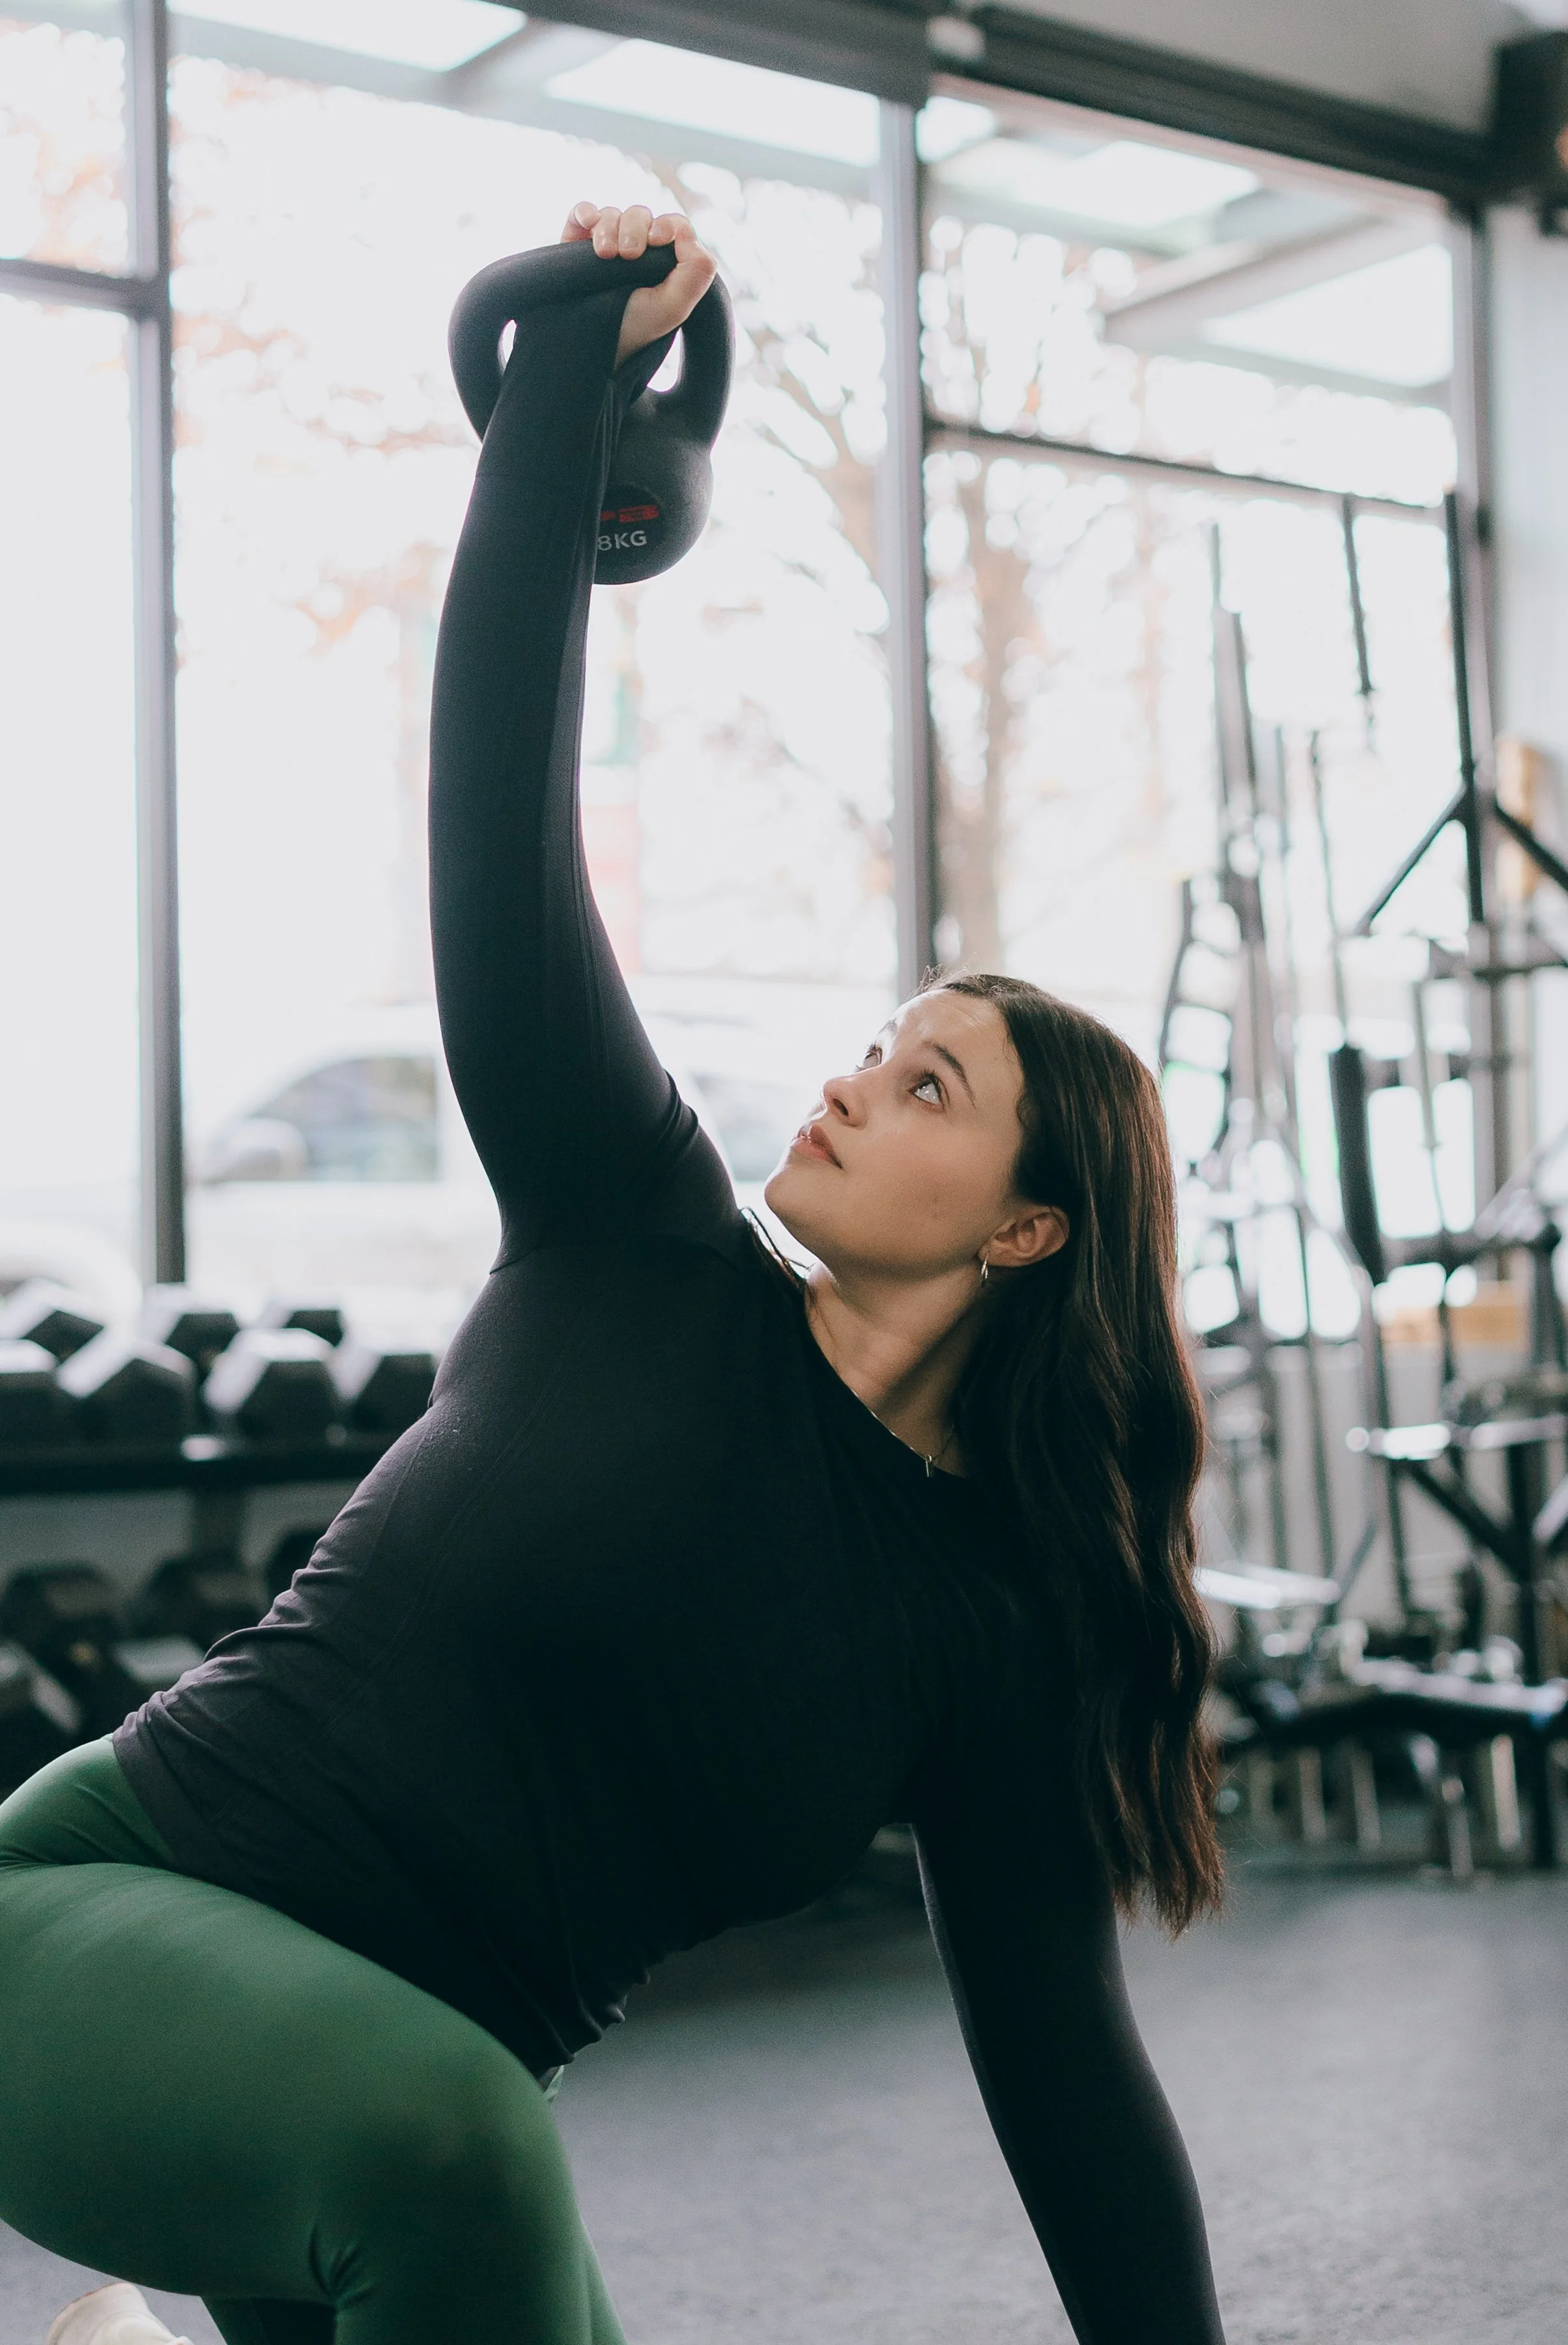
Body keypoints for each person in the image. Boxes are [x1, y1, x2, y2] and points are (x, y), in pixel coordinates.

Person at [0, 199, 1227, 2345]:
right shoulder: (625, 1230)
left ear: (1030, 1228)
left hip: (361, 2092)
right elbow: (497, 807)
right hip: (104, 1913)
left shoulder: (992, 1634)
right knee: (459, 2152)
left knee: (449, 2166)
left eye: (925, 1087)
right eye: (873, 1045)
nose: (849, 1084)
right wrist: (570, 366)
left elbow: (1069, 2089)